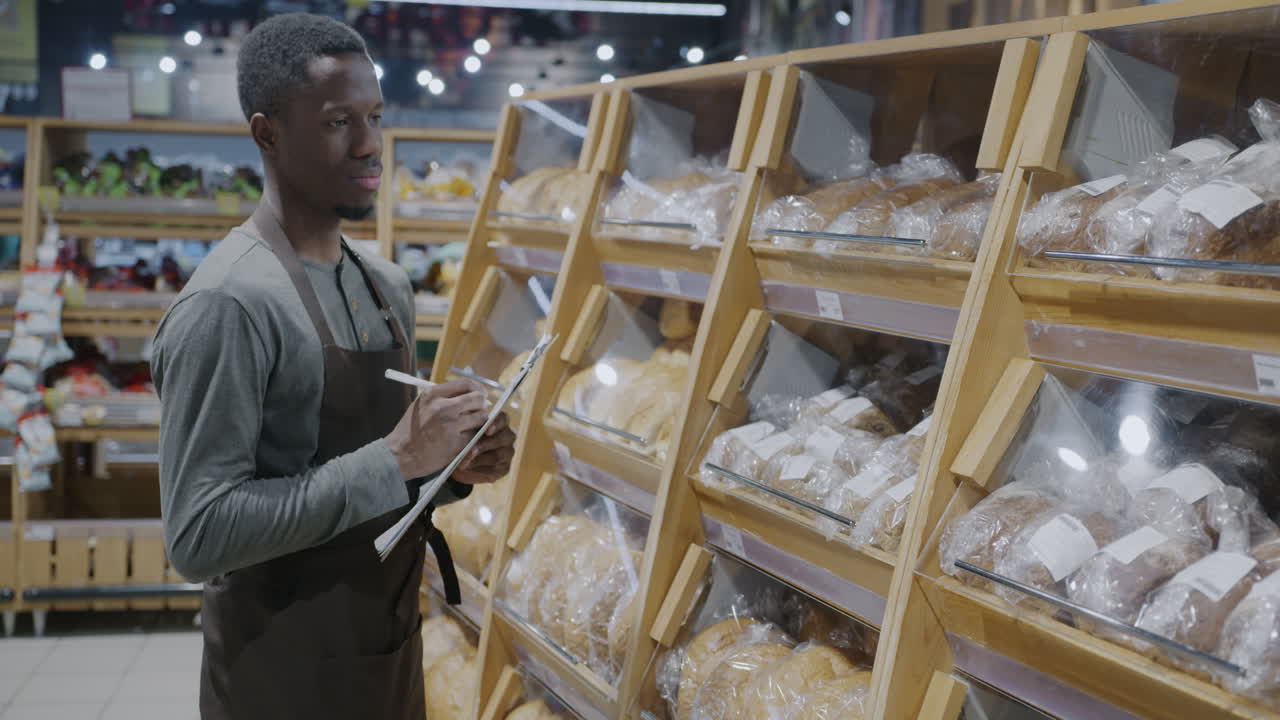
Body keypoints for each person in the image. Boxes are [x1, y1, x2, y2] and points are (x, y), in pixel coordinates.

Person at [150, 13, 515, 719]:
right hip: (278, 672)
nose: (371, 144)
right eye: (338, 121)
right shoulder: (229, 304)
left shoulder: (386, 290)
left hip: (387, 656)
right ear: (268, 133)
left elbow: (386, 480)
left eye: (375, 116)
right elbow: (198, 536)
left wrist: (450, 469)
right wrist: (398, 455)